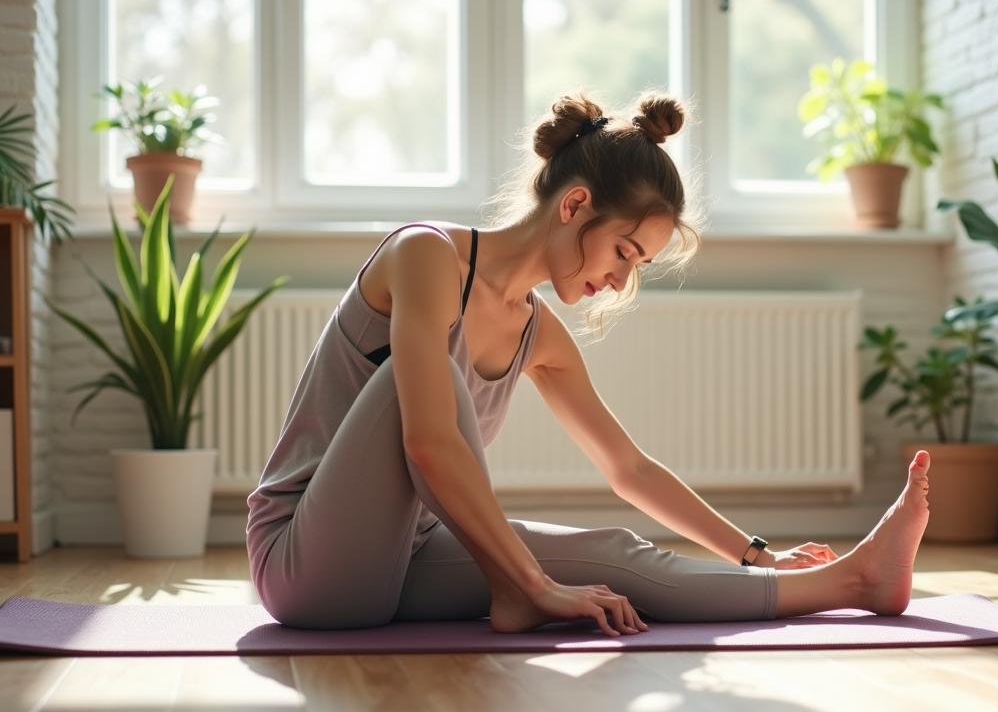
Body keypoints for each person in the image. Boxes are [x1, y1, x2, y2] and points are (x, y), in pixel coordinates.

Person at [246, 91, 931, 635]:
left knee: (615, 555)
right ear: (575, 205)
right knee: (419, 380)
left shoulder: (536, 334)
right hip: (306, 565)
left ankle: (853, 580)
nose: (621, 281)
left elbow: (627, 469)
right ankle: (517, 587)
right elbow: (427, 443)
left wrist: (755, 555)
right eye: (625, 253)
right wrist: (532, 583)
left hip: (403, 561)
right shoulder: (425, 255)